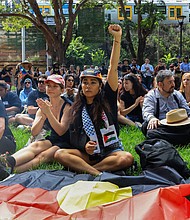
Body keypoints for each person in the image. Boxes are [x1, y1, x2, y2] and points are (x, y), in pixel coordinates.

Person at [54, 24, 134, 176]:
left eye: (92, 83)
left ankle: (89, 171)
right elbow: (74, 137)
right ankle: (97, 173)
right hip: (89, 155)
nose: (88, 86)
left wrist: (117, 39)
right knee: (60, 154)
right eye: (85, 82)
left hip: (110, 151)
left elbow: (112, 66)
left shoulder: (108, 100)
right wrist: (85, 147)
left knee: (126, 158)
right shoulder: (76, 108)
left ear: (99, 86)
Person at [0, 74, 72, 179]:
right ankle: (7, 162)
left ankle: (10, 171)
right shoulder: (44, 105)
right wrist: (42, 117)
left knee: (43, 156)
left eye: (55, 86)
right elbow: (34, 132)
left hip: (68, 142)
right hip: (54, 138)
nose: (50, 89)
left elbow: (61, 131)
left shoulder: (67, 106)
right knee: (35, 146)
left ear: (62, 90)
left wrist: (48, 113)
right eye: (49, 86)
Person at [142, 69, 190, 145]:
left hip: (179, 125)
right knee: (150, 131)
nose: (173, 84)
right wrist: (152, 118)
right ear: (160, 84)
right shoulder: (151, 96)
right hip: (162, 126)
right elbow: (147, 112)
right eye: (169, 82)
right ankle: (182, 139)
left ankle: (169, 140)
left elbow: (187, 111)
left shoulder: (177, 94)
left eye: (173, 81)